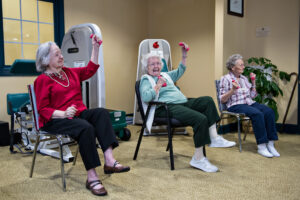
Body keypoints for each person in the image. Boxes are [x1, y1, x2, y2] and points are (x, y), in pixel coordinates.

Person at [34, 36, 130, 196]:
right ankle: (92, 177)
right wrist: (63, 113)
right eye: (57, 54)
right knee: (86, 128)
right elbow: (42, 109)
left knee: (101, 113)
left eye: (61, 53)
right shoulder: (42, 81)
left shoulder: (69, 72)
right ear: (45, 60)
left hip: (77, 114)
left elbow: (90, 69)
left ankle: (109, 160)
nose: (62, 56)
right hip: (55, 120)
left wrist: (96, 47)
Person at [139, 42, 236, 173]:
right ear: (147, 67)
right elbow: (145, 97)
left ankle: (214, 138)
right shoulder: (146, 79)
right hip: (165, 108)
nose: (156, 66)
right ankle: (198, 158)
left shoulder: (165, 75)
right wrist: (157, 86)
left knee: (207, 100)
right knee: (200, 119)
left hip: (182, 103)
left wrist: (184, 55)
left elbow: (180, 71)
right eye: (152, 64)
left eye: (158, 63)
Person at [219, 54, 280, 158]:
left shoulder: (243, 78)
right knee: (257, 114)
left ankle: (270, 143)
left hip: (249, 102)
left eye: (243, 64)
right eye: (241, 65)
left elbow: (252, 96)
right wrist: (232, 90)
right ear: (233, 67)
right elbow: (223, 99)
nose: (244, 67)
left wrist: (253, 82)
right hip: (235, 105)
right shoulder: (226, 79)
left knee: (269, 111)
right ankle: (262, 146)